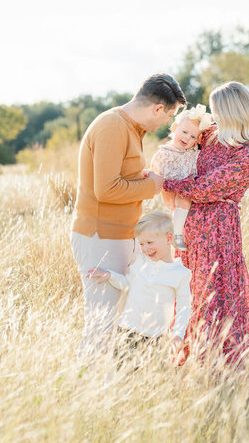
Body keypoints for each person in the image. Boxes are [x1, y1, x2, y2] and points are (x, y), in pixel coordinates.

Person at [70, 74, 186, 359]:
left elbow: (120, 178)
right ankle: (85, 389)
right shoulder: (112, 126)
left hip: (119, 237)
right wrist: (153, 185)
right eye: (168, 116)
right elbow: (106, 190)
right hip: (101, 238)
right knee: (102, 323)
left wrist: (140, 178)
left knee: (117, 321)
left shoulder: (131, 129)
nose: (166, 124)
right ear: (157, 109)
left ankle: (110, 389)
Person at [162, 81, 249, 366]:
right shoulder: (208, 136)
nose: (213, 114)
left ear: (233, 110)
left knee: (217, 292)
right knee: (188, 293)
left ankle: (221, 365)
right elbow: (179, 144)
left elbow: (209, 186)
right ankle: (184, 362)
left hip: (219, 230)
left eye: (218, 108)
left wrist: (166, 183)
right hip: (187, 229)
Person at [85, 211, 191, 358]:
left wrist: (178, 334)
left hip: (155, 337)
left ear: (169, 238)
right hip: (127, 330)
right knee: (122, 372)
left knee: (149, 376)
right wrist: (110, 276)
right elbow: (129, 285)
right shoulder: (139, 261)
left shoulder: (180, 273)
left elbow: (183, 308)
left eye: (150, 243)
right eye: (141, 243)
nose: (145, 248)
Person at [150, 104, 213, 250]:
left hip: (188, 190)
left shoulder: (193, 152)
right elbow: (158, 171)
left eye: (192, 136)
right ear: (174, 128)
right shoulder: (166, 152)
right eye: (184, 132)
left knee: (184, 201)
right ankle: (176, 235)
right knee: (181, 199)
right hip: (173, 189)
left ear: (197, 140)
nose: (186, 137)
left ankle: (176, 232)